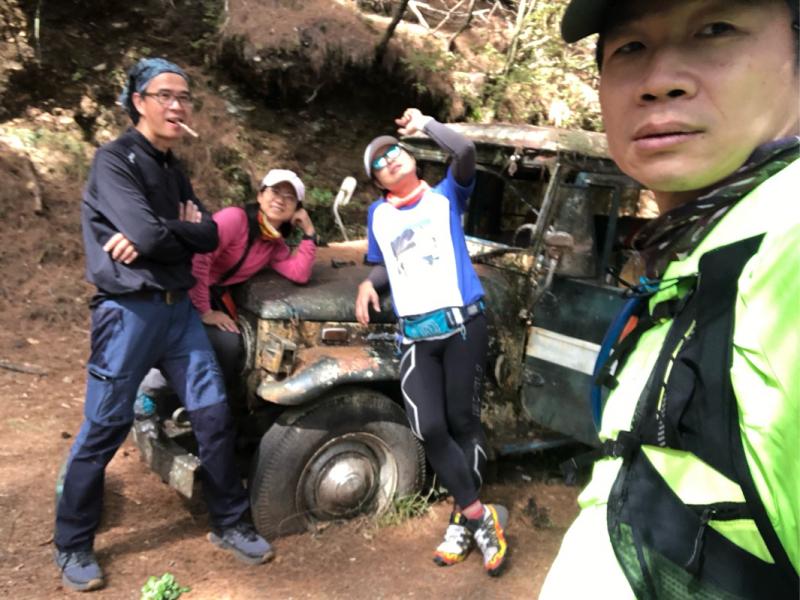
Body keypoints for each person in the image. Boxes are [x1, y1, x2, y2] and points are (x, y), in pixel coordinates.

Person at [540, 1, 799, 598]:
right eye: (630, 47)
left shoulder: (787, 249)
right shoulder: (701, 255)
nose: (659, 81)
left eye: (715, 29)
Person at [53, 58, 273, 593]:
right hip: (129, 311)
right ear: (138, 101)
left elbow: (207, 235)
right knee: (104, 426)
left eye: (184, 97)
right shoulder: (114, 161)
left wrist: (161, 231)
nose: (177, 106)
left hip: (179, 314)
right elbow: (160, 236)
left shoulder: (174, 169)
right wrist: (175, 229)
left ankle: (230, 523)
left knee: (213, 417)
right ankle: (73, 542)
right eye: (165, 95)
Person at [355, 108, 509, 577]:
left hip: (463, 327)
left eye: (394, 152)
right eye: (379, 162)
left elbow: (465, 151)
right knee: (429, 427)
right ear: (376, 181)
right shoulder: (379, 215)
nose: (390, 160)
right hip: (417, 336)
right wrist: (368, 284)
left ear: (412, 157)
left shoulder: (446, 197)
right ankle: (480, 516)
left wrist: (425, 124)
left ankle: (462, 523)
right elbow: (388, 262)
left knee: (463, 422)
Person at [136, 168, 317, 407]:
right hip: (180, 289)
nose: (280, 200)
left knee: (234, 346)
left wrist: (309, 233)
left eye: (290, 197)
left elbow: (299, 273)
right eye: (275, 192)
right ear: (260, 195)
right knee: (223, 345)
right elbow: (200, 260)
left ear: (296, 209)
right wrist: (205, 311)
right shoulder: (234, 219)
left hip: (209, 295)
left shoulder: (272, 243)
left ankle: (193, 403)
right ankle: (147, 394)